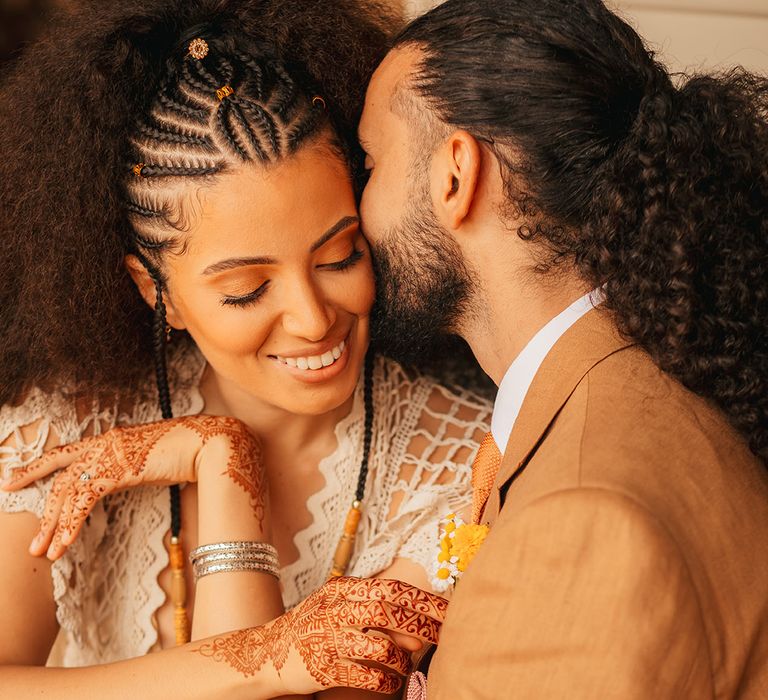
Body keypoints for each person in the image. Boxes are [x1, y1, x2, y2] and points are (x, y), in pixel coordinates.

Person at [0, 0, 489, 696]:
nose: (314, 319)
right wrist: (272, 657)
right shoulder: (66, 429)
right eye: (246, 290)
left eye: (339, 257)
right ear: (151, 288)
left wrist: (223, 464)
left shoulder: (459, 465)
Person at [357, 0, 768, 696]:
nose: (357, 211)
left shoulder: (580, 526)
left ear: (455, 175)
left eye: (371, 163)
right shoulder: (652, 374)